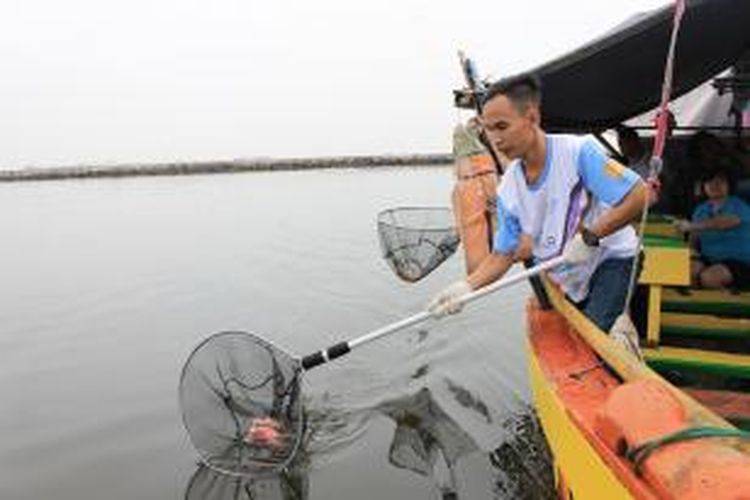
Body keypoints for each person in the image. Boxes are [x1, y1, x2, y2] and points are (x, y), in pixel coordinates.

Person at [429, 74, 647, 332]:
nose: (495, 139)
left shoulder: (577, 153)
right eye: (488, 129)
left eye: (502, 126)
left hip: (612, 258)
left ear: (532, 118)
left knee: (593, 335)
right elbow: (503, 254)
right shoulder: (509, 188)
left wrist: (591, 236)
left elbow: (640, 195)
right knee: (574, 332)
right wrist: (466, 287)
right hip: (569, 270)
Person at [675, 166, 750, 290]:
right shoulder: (700, 210)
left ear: (729, 185)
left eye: (720, 181)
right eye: (709, 182)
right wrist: (691, 252)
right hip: (709, 259)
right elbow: (694, 240)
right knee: (687, 272)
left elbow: (725, 222)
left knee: (710, 277)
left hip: (740, 262)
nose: (715, 185)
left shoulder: (739, 205)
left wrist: (692, 225)